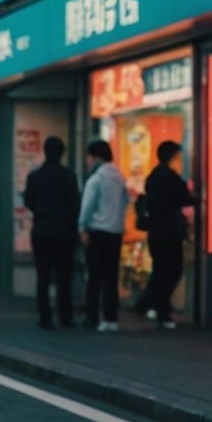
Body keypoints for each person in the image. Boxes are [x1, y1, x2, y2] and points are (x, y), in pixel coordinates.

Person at [22, 136, 80, 329]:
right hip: (64, 232)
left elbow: (29, 201)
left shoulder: (35, 176)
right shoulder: (68, 176)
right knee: (64, 277)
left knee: (43, 277)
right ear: (62, 153)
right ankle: (65, 316)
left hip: (41, 231)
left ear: (44, 151)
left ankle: (45, 317)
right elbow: (75, 204)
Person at [139, 140, 196, 329]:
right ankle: (160, 309)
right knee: (172, 270)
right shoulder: (170, 178)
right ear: (173, 157)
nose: (180, 161)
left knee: (161, 270)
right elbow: (187, 199)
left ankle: (154, 305)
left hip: (156, 231)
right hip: (169, 231)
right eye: (179, 157)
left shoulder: (153, 176)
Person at [78, 139, 128, 332]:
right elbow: (125, 201)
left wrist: (82, 227)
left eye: (89, 157)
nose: (88, 161)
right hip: (115, 232)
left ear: (96, 157)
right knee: (111, 277)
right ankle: (111, 318)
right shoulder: (120, 177)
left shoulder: (96, 179)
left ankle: (92, 317)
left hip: (97, 232)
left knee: (94, 277)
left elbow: (87, 205)